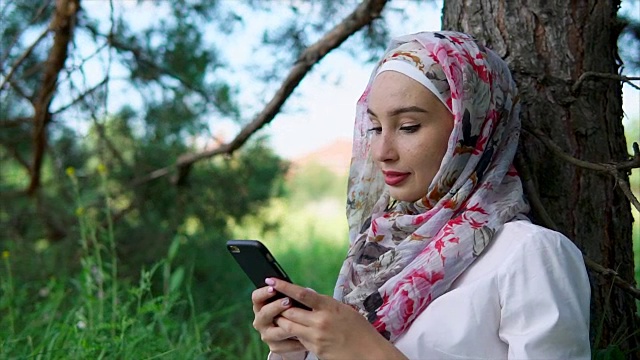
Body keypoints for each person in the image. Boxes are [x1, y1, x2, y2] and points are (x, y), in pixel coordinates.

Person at [251, 31, 591, 360]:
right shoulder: (379, 249)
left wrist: (368, 352)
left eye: (408, 126)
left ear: (469, 130)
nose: (381, 152)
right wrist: (296, 350)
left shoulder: (529, 255)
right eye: (375, 127)